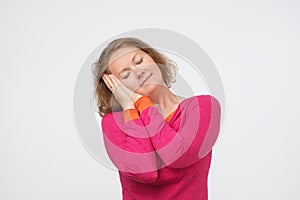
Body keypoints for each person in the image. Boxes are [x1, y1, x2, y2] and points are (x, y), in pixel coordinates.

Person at [92, 37, 221, 200]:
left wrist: (141, 104)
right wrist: (134, 109)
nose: (139, 72)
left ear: (153, 59)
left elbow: (180, 157)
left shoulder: (203, 107)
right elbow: (146, 172)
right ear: (117, 88)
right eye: (126, 75)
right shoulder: (113, 124)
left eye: (139, 61)